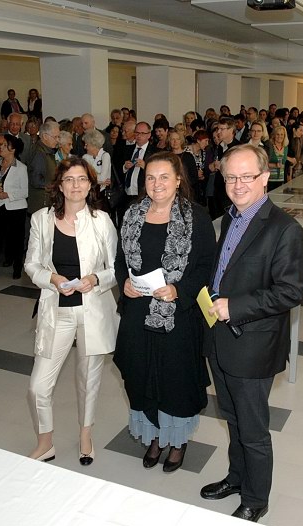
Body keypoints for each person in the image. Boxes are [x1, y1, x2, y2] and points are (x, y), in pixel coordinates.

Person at [201, 144, 303, 523]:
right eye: (231, 177)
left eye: (247, 176)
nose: (238, 184)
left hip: (253, 344)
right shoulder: (231, 216)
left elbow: (291, 291)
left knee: (253, 429)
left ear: (265, 177)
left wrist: (236, 306)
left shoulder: (284, 229)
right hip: (220, 338)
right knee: (231, 417)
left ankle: (256, 498)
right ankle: (237, 477)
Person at [114, 152, 215, 474]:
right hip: (137, 313)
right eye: (150, 177)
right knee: (141, 376)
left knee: (176, 380)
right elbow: (120, 260)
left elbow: (206, 266)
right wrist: (124, 282)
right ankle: (155, 437)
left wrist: (179, 290)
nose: (156, 184)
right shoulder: (132, 214)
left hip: (178, 317)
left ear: (178, 180)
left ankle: (177, 441)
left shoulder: (196, 217)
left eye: (164, 177)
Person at [24, 157, 117, 465]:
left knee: (88, 380)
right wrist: (51, 278)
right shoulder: (41, 219)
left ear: (90, 185)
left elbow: (116, 268)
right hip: (57, 310)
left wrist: (95, 279)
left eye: (82, 179)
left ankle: (85, 435)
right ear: (60, 186)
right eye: (69, 179)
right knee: (38, 386)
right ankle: (45, 442)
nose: (76, 185)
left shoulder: (101, 221)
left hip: (93, 310)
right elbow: (31, 264)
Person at [0, 133, 28, 280]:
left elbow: (25, 191)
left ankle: (17, 268)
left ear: (12, 149)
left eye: (4, 145)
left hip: (15, 209)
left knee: (16, 240)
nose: (0, 147)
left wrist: (8, 194)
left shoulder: (21, 167)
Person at [167, 130, 199, 200]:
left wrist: (182, 184)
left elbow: (194, 176)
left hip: (186, 192)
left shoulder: (188, 156)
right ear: (169, 141)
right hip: (169, 191)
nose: (175, 141)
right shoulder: (166, 157)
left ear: (181, 141)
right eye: (172, 139)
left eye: (177, 139)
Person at [265, 125, 293, 191]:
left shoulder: (285, 147)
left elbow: (285, 164)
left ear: (284, 136)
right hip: (270, 180)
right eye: (277, 134)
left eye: (282, 134)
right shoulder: (269, 146)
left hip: (281, 179)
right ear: (274, 135)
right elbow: (263, 163)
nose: (279, 136)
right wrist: (275, 165)